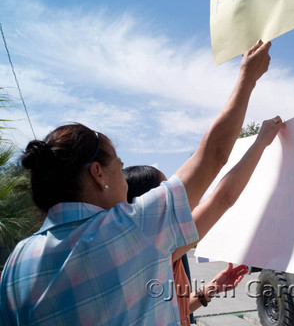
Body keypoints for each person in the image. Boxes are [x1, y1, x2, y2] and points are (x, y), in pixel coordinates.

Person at [0, 41, 277, 325]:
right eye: (119, 168)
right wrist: (247, 78)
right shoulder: (131, 230)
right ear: (98, 174)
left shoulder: (15, 263)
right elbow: (215, 157)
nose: (125, 183)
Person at [124, 165, 248, 326]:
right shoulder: (157, 249)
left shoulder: (155, 251)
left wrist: (213, 288)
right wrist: (262, 142)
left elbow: (179, 310)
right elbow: (223, 198)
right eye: (165, 195)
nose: (175, 201)